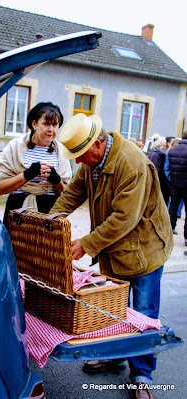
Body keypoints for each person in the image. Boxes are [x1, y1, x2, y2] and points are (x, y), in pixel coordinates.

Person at [49, 113, 173, 399]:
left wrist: (87, 244)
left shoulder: (133, 164)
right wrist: (48, 221)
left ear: (97, 144)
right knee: (112, 307)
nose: (77, 161)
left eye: (80, 155)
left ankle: (142, 375)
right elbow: (72, 195)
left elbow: (124, 218)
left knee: (143, 315)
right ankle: (115, 354)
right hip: (115, 248)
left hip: (144, 249)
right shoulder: (91, 160)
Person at [0, 102, 72, 230]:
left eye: (55, 124)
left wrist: (56, 180)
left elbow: (66, 198)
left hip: (48, 217)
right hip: (16, 215)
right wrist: (26, 175)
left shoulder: (62, 152)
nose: (51, 129)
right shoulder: (15, 147)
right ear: (34, 124)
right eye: (46, 124)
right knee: (14, 250)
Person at [166, 131, 187, 246]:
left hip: (174, 183)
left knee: (173, 207)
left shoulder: (172, 150)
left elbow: (166, 169)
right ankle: (186, 237)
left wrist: (171, 180)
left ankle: (170, 229)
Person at [148, 135, 170, 205]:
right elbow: (155, 170)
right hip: (159, 183)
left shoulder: (155, 153)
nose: (165, 147)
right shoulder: (156, 155)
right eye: (164, 146)